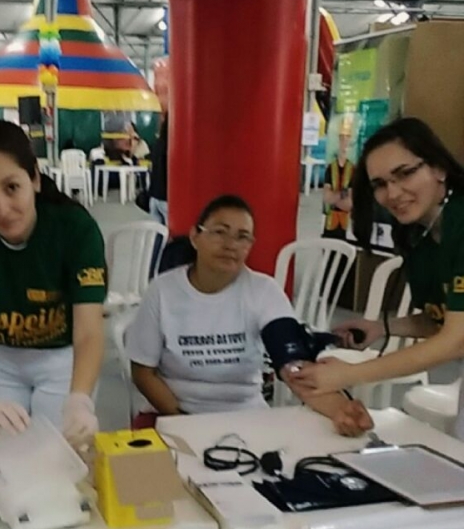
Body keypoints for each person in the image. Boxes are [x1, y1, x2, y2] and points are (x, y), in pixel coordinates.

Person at [126, 194, 374, 436]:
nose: (230, 244)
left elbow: (293, 364)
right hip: (174, 414)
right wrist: (185, 422)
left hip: (246, 414)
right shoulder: (162, 291)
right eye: (220, 232)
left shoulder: (264, 291)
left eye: (242, 237)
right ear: (195, 236)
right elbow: (143, 373)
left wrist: (341, 410)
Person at [0, 119, 106, 448]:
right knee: (8, 453)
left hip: (61, 357)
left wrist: (80, 398)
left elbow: (89, 330)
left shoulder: (76, 230)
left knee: (58, 452)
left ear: (35, 179)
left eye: (12, 187)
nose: (1, 208)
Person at [293, 118, 464, 439]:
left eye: (405, 173)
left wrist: (351, 374)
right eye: (380, 184)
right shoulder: (421, 237)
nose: (393, 193)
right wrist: (382, 327)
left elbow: (455, 339)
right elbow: (440, 319)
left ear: (439, 169)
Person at [321, 128, 355, 240]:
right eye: (342, 138)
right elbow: (326, 198)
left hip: (346, 225)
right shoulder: (331, 168)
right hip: (330, 223)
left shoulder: (353, 170)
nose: (344, 142)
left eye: (347, 138)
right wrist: (343, 194)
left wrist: (334, 199)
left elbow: (349, 204)